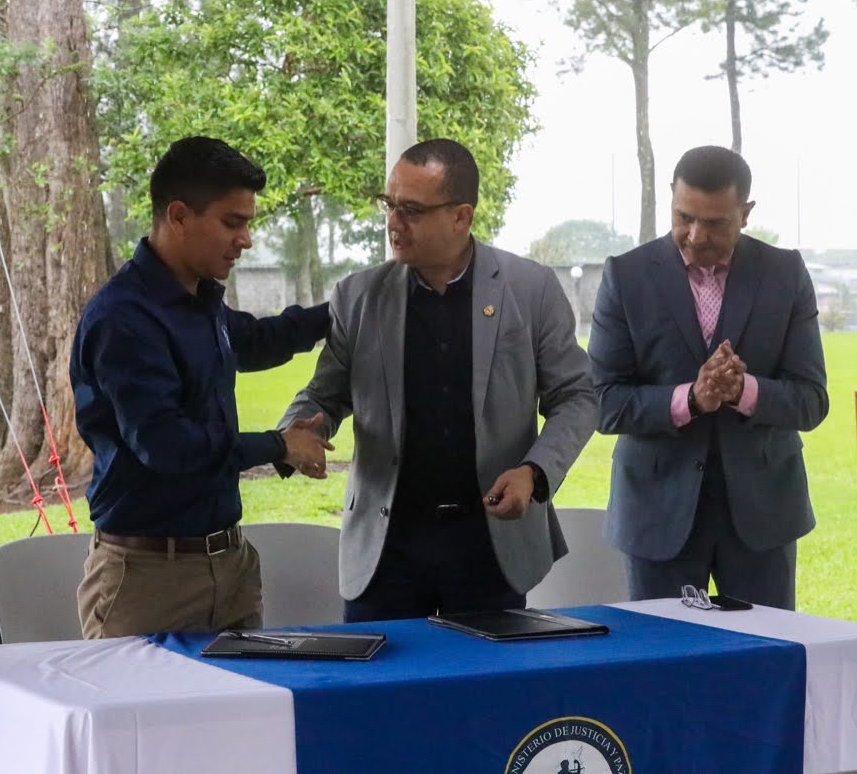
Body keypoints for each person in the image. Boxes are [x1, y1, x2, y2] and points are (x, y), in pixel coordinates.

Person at [279, 139, 597, 622]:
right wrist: (297, 432)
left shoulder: (531, 290)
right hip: (386, 551)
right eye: (390, 205)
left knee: (486, 696)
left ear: (461, 216)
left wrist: (534, 474)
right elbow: (324, 394)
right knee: (380, 696)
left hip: (490, 547)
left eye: (411, 210)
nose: (393, 222)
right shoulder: (358, 295)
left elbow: (577, 396)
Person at [71, 136, 332, 639]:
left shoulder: (201, 300)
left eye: (248, 223)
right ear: (179, 216)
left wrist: (347, 308)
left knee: (245, 719)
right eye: (232, 222)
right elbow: (167, 446)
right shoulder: (124, 318)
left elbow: (255, 340)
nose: (246, 239)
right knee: (140, 721)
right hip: (146, 580)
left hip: (230, 569)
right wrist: (280, 445)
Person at [588, 145, 828, 610]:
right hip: (657, 519)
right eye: (684, 217)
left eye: (715, 223)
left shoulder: (784, 273)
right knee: (664, 672)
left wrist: (743, 390)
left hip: (763, 519)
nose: (696, 236)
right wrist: (691, 400)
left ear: (746, 213)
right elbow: (603, 401)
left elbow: (811, 399)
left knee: (762, 667)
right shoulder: (626, 276)